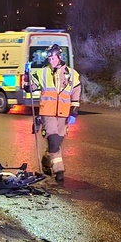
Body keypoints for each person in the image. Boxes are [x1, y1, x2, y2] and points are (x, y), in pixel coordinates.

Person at [29, 44, 81, 183]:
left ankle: (46, 161)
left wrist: (74, 111)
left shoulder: (72, 74)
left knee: (56, 144)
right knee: (53, 141)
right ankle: (59, 170)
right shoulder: (42, 72)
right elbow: (31, 85)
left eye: (53, 57)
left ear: (59, 57)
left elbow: (76, 93)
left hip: (64, 114)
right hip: (47, 113)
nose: (51, 60)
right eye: (49, 57)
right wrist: (27, 83)